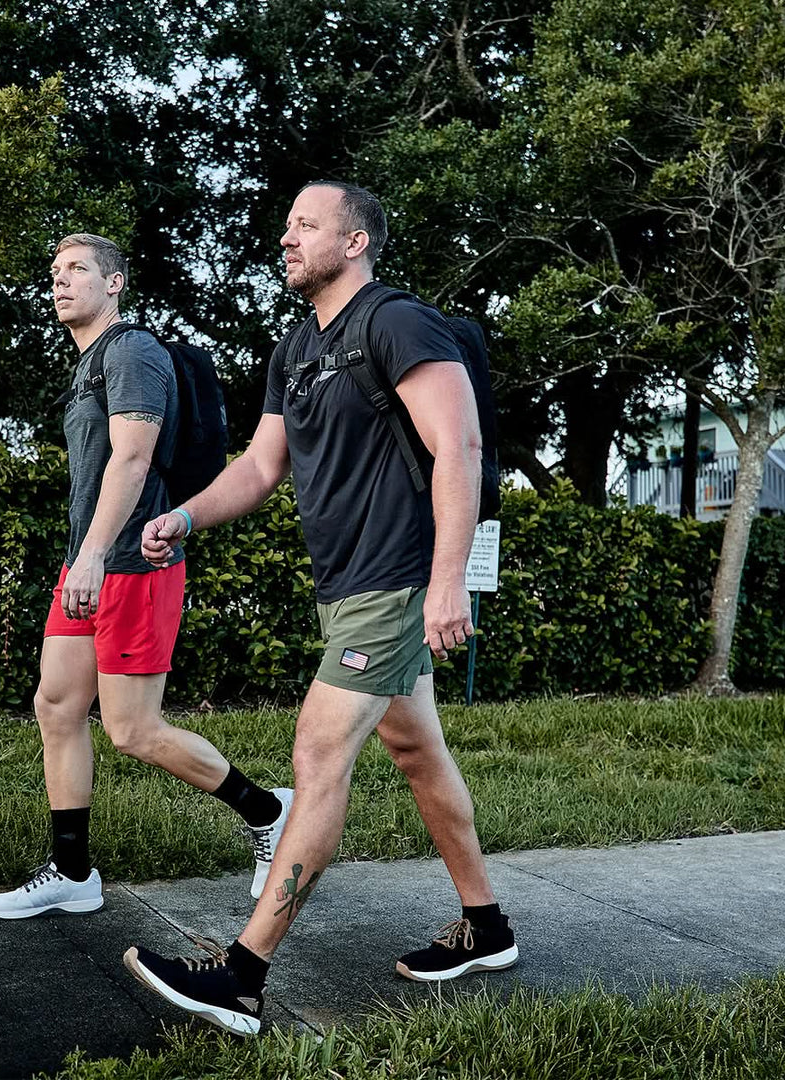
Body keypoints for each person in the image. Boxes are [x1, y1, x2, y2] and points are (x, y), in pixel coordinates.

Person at [124, 185, 517, 1035]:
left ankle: (241, 978)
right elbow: (261, 467)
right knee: (415, 749)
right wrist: (185, 515)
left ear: (357, 239)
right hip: (344, 586)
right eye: (288, 225)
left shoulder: (398, 322)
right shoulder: (297, 347)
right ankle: (486, 926)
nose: (288, 237)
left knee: (318, 753)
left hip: (396, 577)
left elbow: (460, 445)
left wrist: (447, 579)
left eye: (307, 224)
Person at [0, 233, 292, 920]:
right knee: (56, 707)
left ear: (115, 283)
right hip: (88, 563)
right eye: (54, 271)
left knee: (133, 730)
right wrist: (81, 558)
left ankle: (268, 811)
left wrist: (93, 555)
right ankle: (72, 873)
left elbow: (132, 458)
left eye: (78, 270)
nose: (60, 281)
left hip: (129, 567)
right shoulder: (89, 363)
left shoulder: (131, 352)